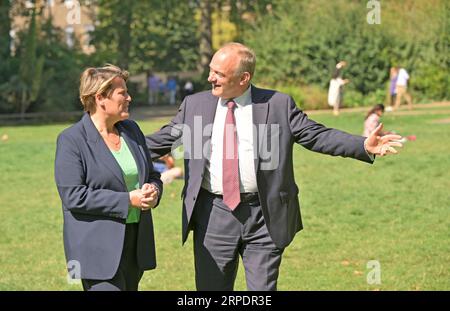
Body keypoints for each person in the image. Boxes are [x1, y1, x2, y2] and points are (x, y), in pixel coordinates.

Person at [145, 42, 402, 291]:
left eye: (219, 74)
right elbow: (164, 139)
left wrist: (362, 146)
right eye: (211, 70)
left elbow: (316, 135)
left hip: (264, 217)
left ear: (244, 78)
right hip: (213, 215)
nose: (211, 78)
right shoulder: (195, 105)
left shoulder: (278, 104)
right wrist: (109, 144)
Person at [55, 65, 163, 291]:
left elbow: (152, 174)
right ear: (100, 98)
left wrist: (153, 190)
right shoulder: (71, 140)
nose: (129, 97)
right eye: (122, 92)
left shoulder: (131, 130)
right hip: (97, 249)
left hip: (135, 244)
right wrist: (127, 200)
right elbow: (73, 196)